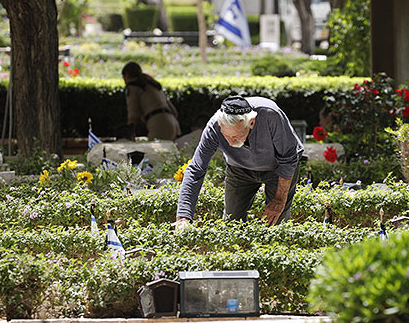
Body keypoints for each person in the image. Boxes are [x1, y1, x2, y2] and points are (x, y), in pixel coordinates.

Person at [175, 96, 304, 228]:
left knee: (277, 224)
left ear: (251, 122)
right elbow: (196, 169)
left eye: (237, 136)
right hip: (239, 170)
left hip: (278, 167)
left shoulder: (270, 115)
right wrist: (183, 217)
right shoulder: (214, 127)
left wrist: (279, 199)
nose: (231, 142)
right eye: (227, 136)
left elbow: (288, 158)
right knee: (232, 224)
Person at [121, 61, 181, 140]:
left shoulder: (133, 87)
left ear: (127, 75)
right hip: (173, 123)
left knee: (154, 151)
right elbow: (174, 111)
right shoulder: (152, 84)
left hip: (159, 124)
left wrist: (128, 134)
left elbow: (133, 116)